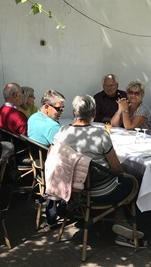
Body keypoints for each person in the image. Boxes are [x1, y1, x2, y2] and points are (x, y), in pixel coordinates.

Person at [51, 95, 145, 247]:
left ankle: (119, 221)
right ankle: (122, 223)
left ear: (74, 113)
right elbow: (116, 168)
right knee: (132, 179)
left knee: (118, 179)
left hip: (74, 188)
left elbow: (52, 156)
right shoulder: (100, 134)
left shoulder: (62, 131)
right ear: (94, 113)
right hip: (100, 191)